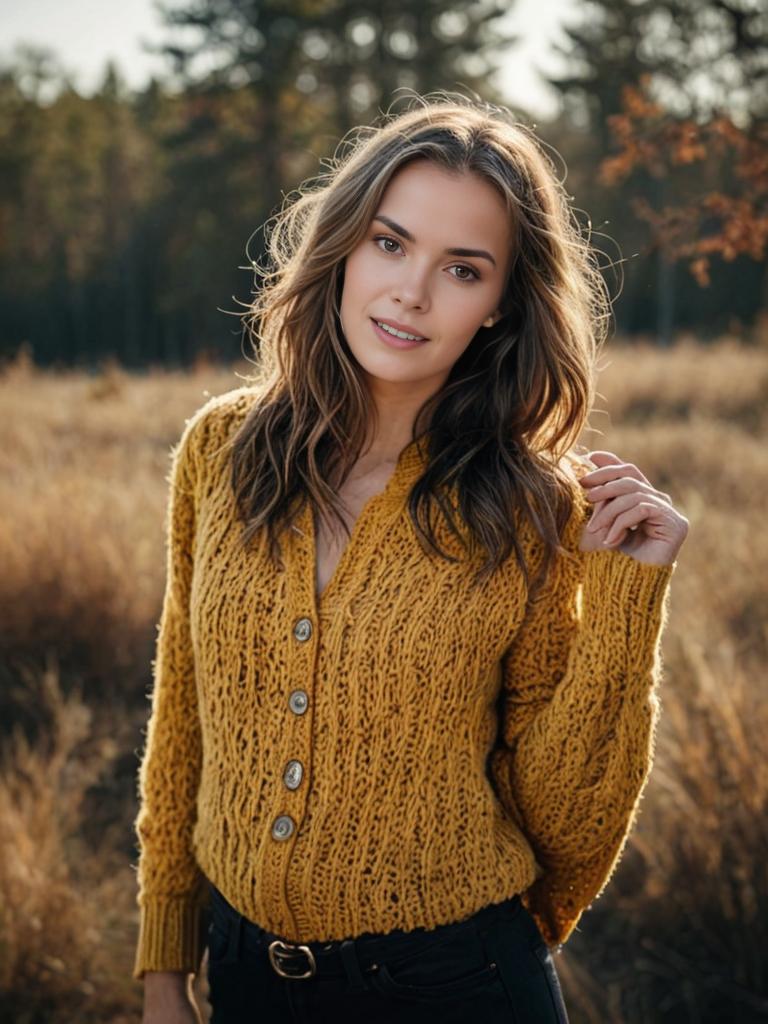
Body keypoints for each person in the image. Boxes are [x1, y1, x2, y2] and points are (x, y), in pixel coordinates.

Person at [134, 93, 688, 1024]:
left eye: (461, 269)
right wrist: (162, 966)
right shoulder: (222, 451)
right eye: (390, 244)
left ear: (500, 305)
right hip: (240, 973)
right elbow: (184, 714)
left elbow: (562, 810)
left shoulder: (532, 508)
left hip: (453, 980)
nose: (411, 292)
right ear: (343, 246)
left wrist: (627, 601)